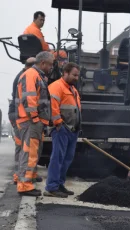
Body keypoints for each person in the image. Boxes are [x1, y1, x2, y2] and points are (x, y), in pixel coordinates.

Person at [15, 51, 54, 196]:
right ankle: (25, 185)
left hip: (33, 121)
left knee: (32, 152)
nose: (51, 67)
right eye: (50, 64)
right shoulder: (32, 75)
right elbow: (29, 98)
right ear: (42, 63)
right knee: (29, 152)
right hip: (30, 121)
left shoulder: (36, 75)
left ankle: (27, 182)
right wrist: (35, 118)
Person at [44, 62, 81, 198]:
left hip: (72, 129)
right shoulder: (56, 87)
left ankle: (59, 184)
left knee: (67, 158)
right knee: (58, 158)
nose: (76, 78)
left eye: (77, 75)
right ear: (65, 73)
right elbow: (53, 107)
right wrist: (58, 123)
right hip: (61, 128)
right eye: (74, 75)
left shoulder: (72, 89)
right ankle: (52, 187)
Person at [8, 57, 43, 184]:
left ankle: (23, 174)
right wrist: (34, 117)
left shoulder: (22, 75)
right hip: (22, 117)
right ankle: (20, 176)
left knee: (24, 149)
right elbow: (27, 99)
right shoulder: (25, 76)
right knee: (24, 150)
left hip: (19, 116)